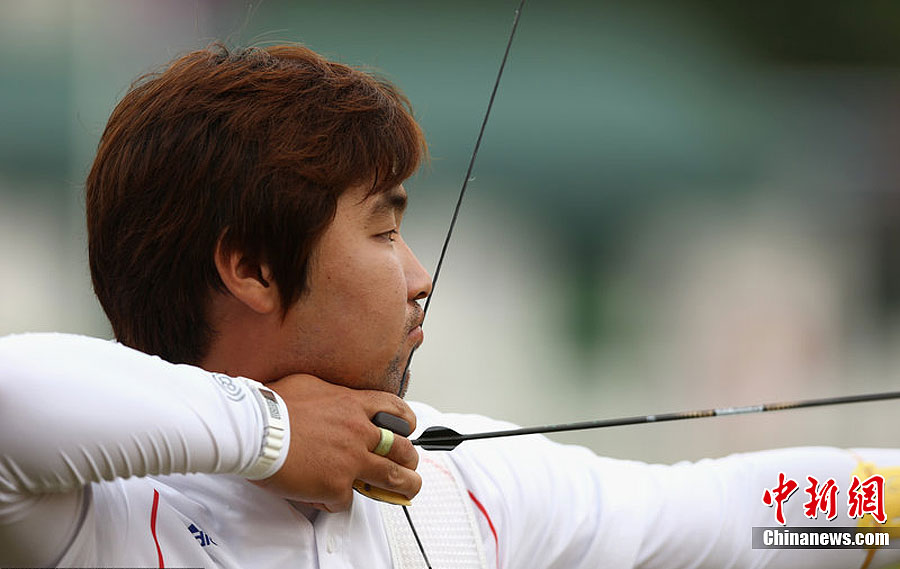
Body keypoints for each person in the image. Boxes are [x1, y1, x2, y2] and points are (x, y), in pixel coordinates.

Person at [0, 43, 898, 569]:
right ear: (252, 268)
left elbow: (741, 515)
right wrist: (273, 432)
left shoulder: (463, 487)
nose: (419, 275)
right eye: (383, 230)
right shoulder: (99, 512)